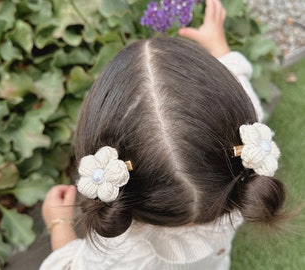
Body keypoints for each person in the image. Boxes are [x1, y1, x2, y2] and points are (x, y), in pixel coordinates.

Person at [40, 0, 286, 269]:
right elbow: (252, 105)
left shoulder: (120, 250)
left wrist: (59, 224)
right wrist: (220, 49)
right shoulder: (247, 169)